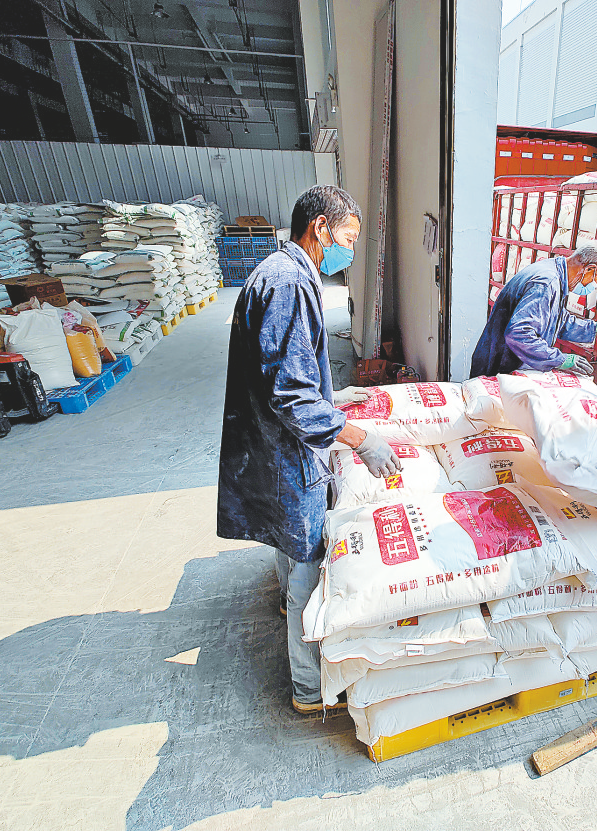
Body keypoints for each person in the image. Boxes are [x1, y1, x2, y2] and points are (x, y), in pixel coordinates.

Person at [217, 184, 402, 713]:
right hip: (285, 449)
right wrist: (362, 439)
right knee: (307, 562)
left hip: (269, 442)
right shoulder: (291, 283)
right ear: (321, 227)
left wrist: (331, 395)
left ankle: (284, 605)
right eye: (348, 237)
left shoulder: (276, 271)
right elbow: (292, 397)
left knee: (287, 536)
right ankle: (307, 686)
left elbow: (280, 368)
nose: (351, 250)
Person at [470, 240, 597, 378]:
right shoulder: (546, 283)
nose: (592, 287)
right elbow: (519, 334)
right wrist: (559, 359)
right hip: (498, 368)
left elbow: (557, 320)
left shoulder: (555, 273)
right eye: (596, 282)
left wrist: (596, 328)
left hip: (503, 362)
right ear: (589, 269)